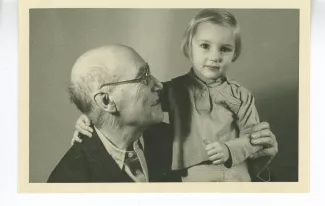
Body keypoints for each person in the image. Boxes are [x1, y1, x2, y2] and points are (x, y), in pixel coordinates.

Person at [73, 9, 278, 182]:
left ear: (234, 54)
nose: (215, 57)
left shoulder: (241, 96)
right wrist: (91, 117)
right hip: (192, 176)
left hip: (235, 173)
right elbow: (128, 106)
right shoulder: (173, 90)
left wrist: (230, 149)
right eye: (205, 46)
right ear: (189, 48)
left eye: (225, 49)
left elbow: (256, 137)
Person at [48, 45, 180, 182]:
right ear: (106, 101)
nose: (159, 85)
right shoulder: (69, 182)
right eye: (143, 77)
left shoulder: (177, 138)